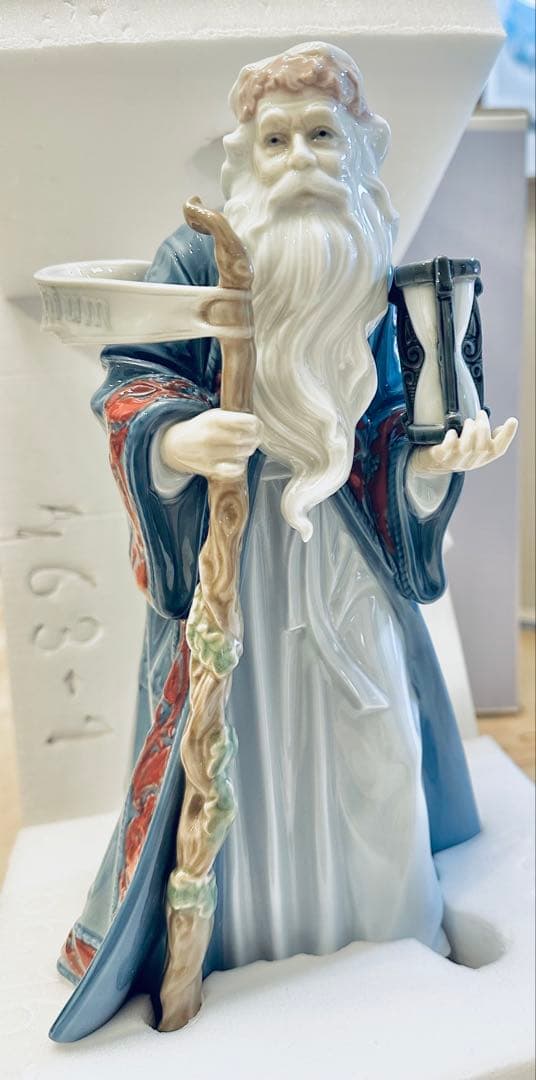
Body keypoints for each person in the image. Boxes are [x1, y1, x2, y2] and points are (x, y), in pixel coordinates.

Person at [49, 42, 517, 1043]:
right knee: (240, 763)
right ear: (245, 156)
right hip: (237, 559)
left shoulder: (365, 264)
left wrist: (432, 465)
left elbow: (390, 430)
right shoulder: (195, 258)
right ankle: (244, 946)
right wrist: (175, 439)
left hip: (342, 547)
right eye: (277, 140)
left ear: (358, 150)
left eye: (320, 136)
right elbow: (130, 378)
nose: (300, 158)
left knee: (375, 740)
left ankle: (389, 933)